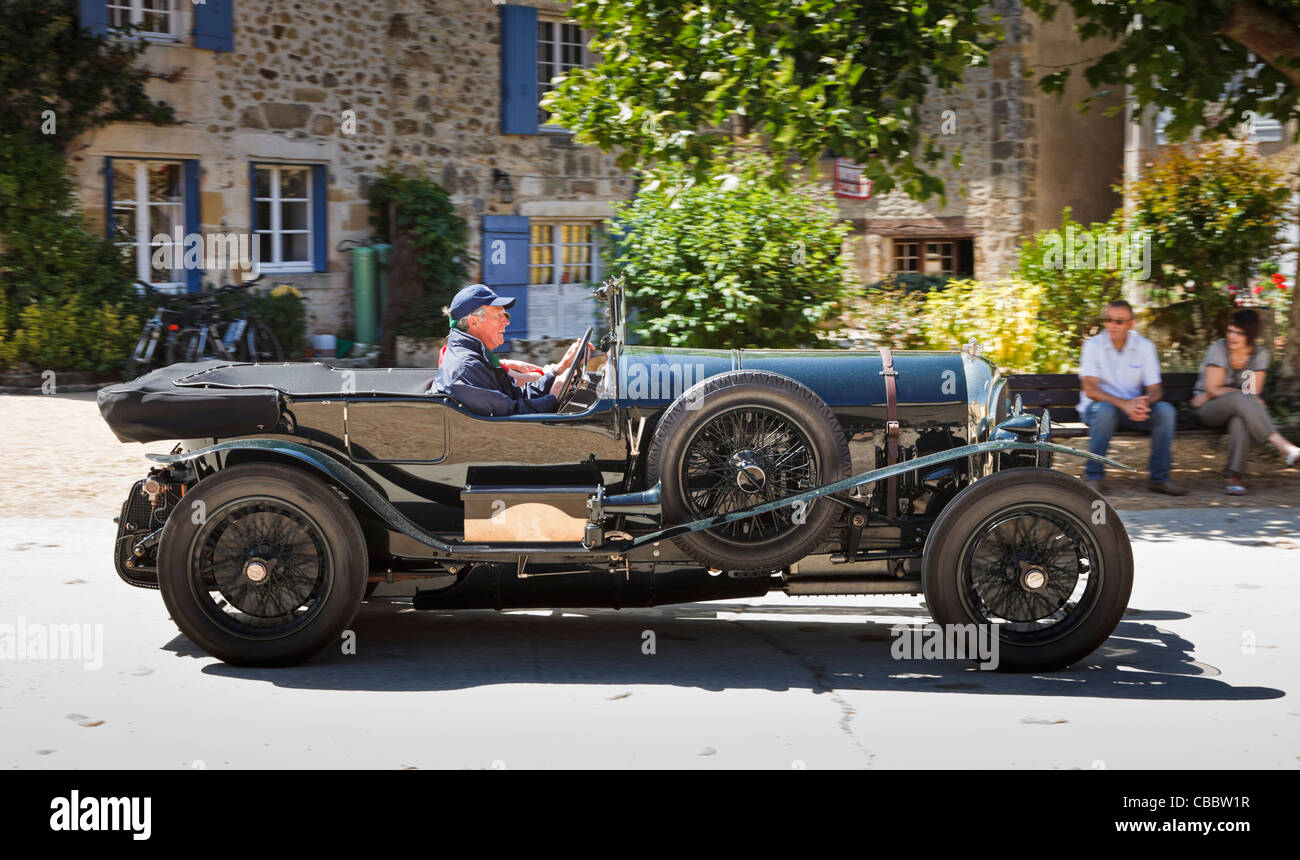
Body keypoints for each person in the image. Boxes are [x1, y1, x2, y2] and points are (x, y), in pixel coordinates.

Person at [1077, 300, 1186, 495]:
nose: (1112, 325)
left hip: (1133, 411)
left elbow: (1155, 388)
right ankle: (1093, 477)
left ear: (1131, 324)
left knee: (1165, 411)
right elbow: (1090, 390)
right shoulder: (1093, 346)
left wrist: (1145, 402)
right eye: (1108, 319)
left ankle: (1159, 479)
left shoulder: (1144, 347)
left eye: (1119, 321)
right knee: (1105, 411)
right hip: (1099, 410)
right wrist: (1124, 404)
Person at [428, 284, 587, 416]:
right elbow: (510, 416)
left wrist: (556, 372)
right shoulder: (465, 369)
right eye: (499, 316)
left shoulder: (477, 358)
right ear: (474, 322)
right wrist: (553, 398)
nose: (507, 322)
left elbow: (517, 395)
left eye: (506, 316)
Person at [1190, 308, 1300, 494]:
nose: (1232, 336)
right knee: (1243, 400)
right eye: (1230, 330)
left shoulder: (1259, 355)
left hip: (1236, 408)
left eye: (1239, 333)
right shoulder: (1219, 348)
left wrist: (1237, 395)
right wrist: (1237, 395)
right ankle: (1282, 446)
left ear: (1250, 335)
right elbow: (1214, 389)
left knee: (1241, 418)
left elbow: (1251, 393)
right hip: (1208, 409)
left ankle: (1234, 476)